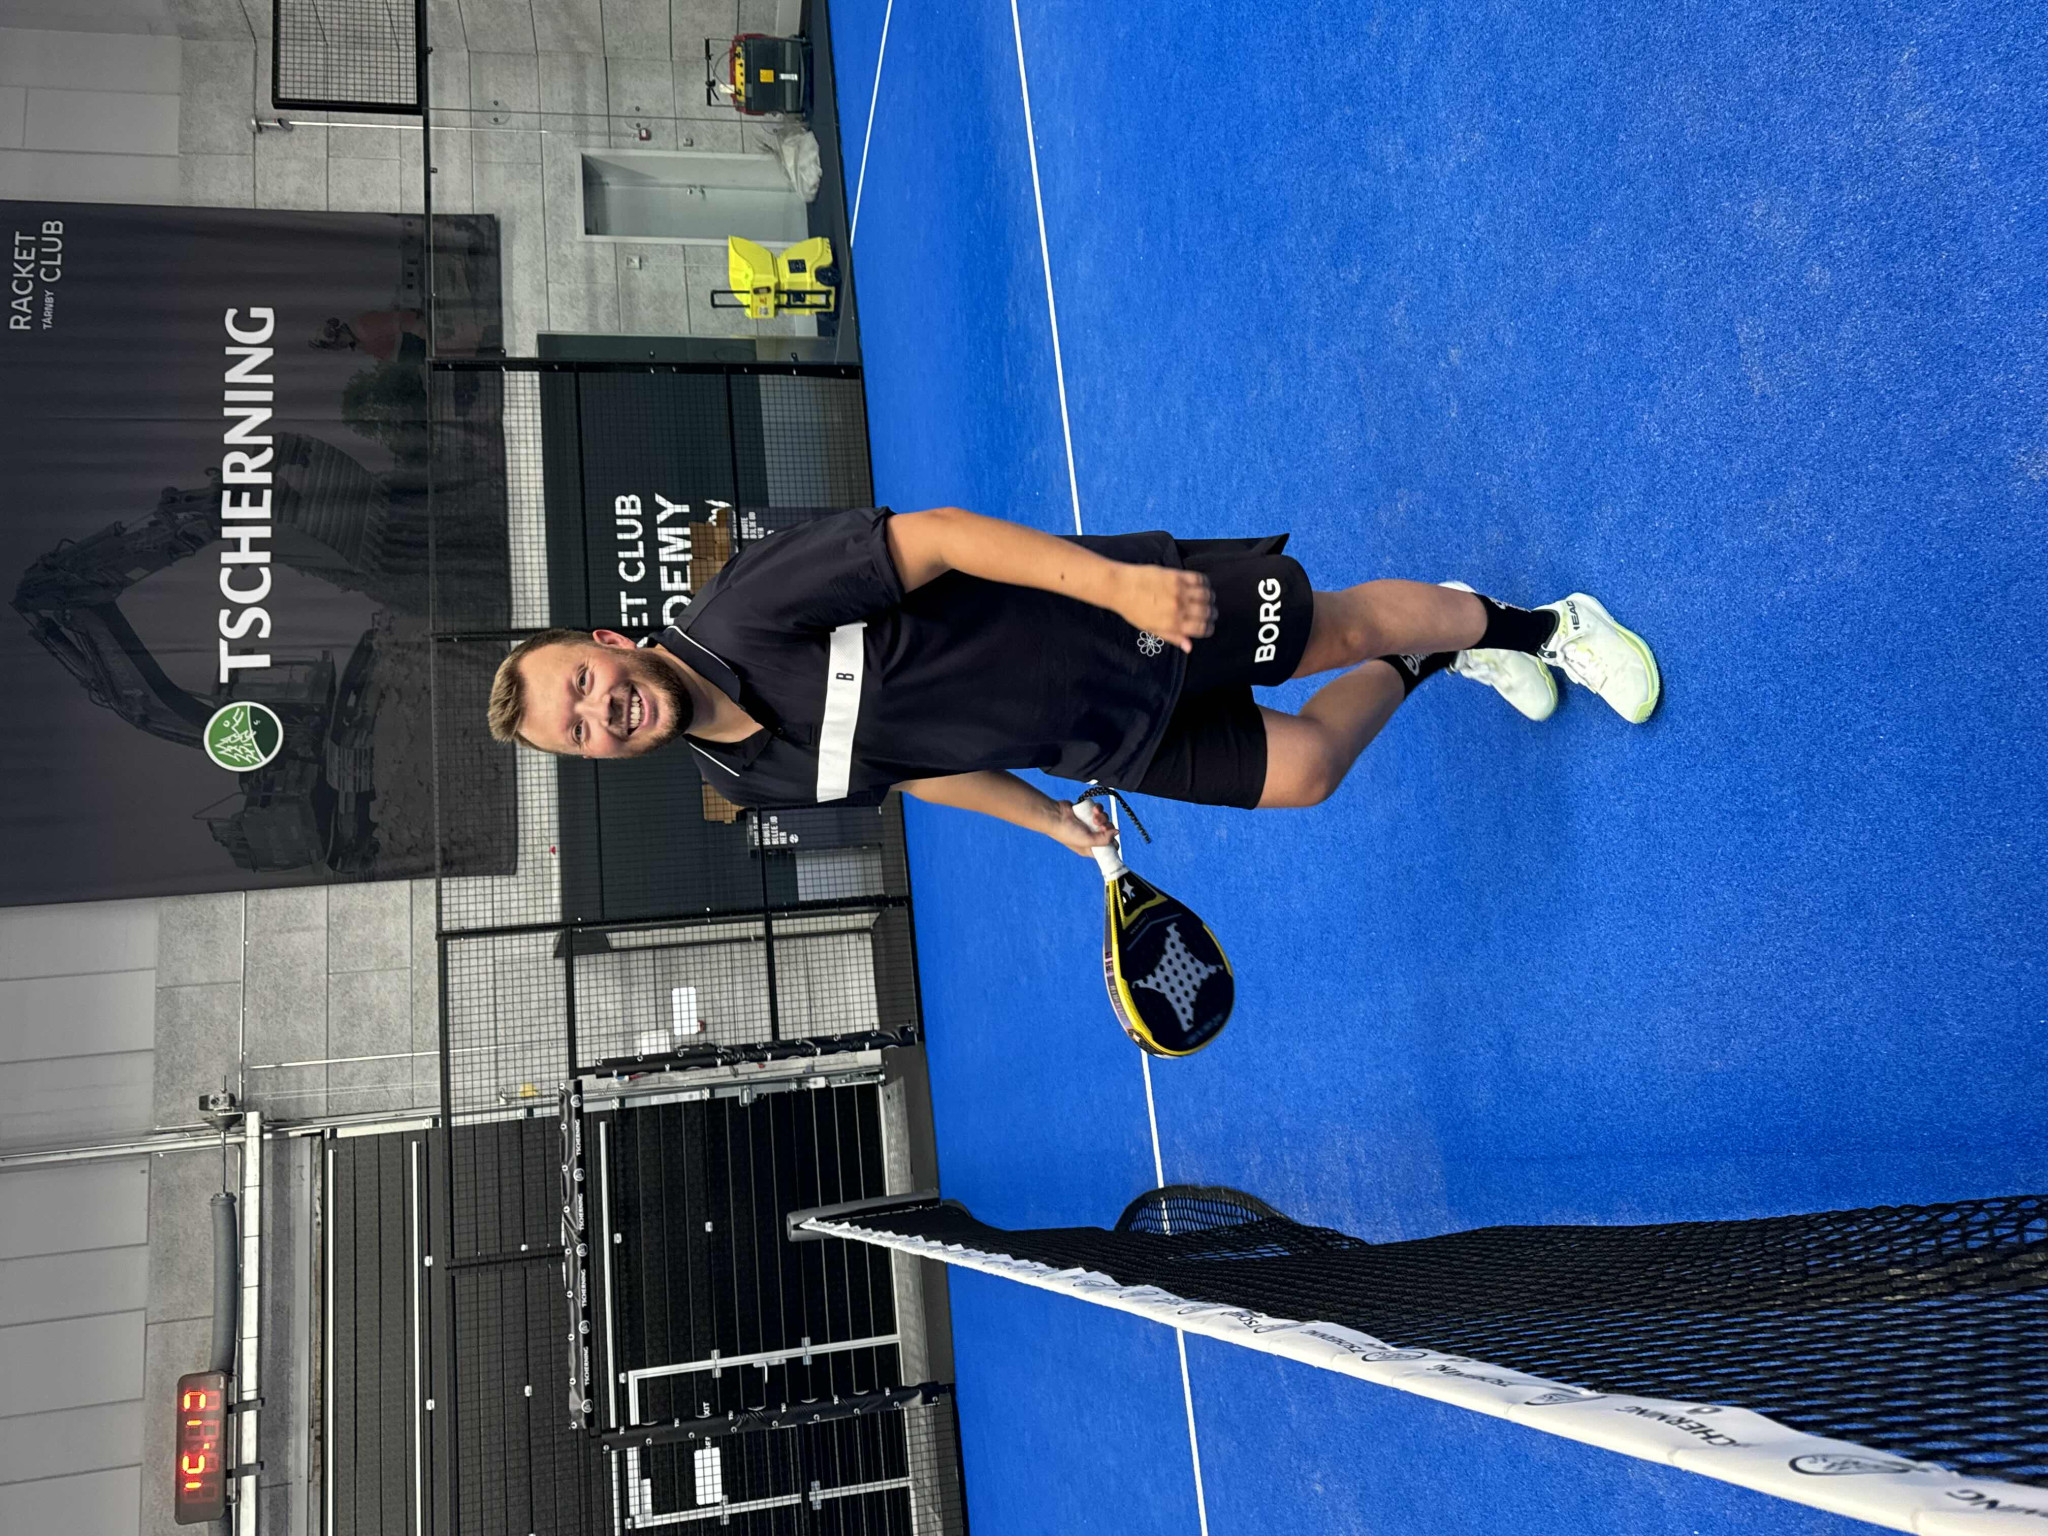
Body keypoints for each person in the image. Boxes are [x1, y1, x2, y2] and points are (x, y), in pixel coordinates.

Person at [485, 506, 1659, 857]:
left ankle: (1545, 624)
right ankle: (1440, 651)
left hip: (1116, 624)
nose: (600, 711)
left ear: (608, 640)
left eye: (580, 682)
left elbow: (939, 538)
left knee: (1337, 629)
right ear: (597, 756)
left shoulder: (743, 606)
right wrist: (1048, 819)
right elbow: (915, 771)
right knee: (1305, 771)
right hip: (1097, 740)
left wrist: (1119, 587)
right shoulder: (745, 782)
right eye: (579, 730)